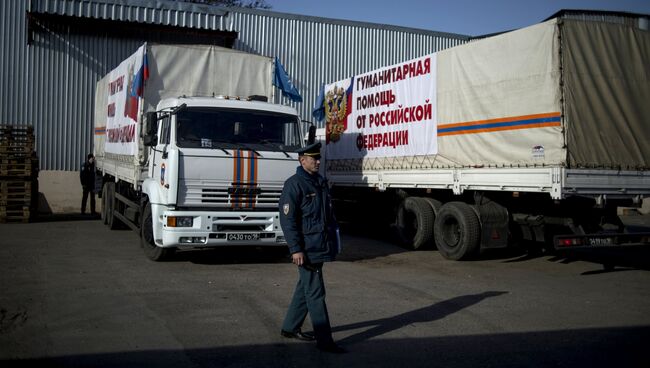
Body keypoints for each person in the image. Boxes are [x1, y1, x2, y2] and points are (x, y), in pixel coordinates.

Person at [278, 142, 345, 354]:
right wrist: (295, 249)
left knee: (305, 288)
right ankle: (325, 341)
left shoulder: (319, 182)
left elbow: (326, 217)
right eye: (313, 158)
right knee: (316, 292)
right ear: (302, 160)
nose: (317, 162)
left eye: (318, 158)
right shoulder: (294, 185)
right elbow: (288, 221)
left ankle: (290, 328)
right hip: (307, 249)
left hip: (319, 245)